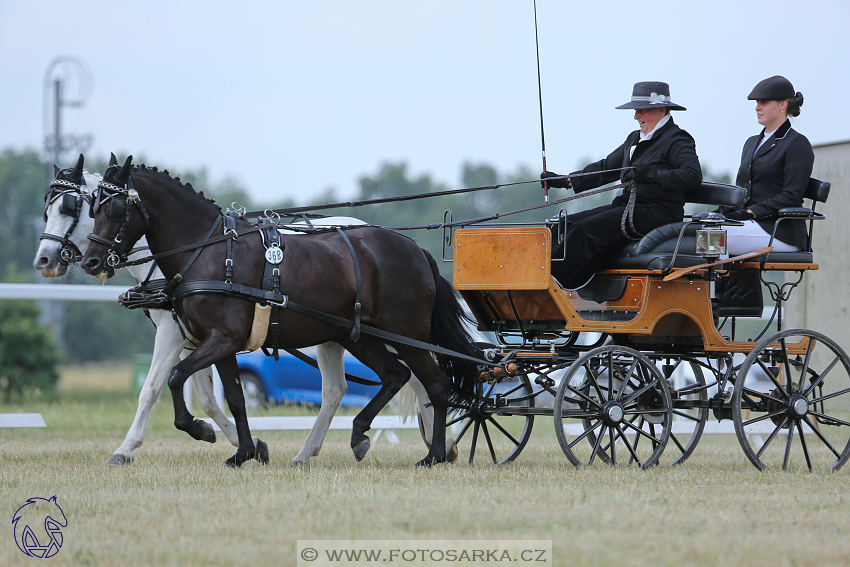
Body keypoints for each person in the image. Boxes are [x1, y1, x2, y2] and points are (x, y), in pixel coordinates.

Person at [541, 81, 702, 289]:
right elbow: (607, 167)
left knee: (584, 231)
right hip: (627, 207)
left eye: (641, 111)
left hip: (657, 211)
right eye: (636, 111)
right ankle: (537, 278)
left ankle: (554, 288)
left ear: (661, 110)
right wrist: (566, 180)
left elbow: (692, 175)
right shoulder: (635, 139)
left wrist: (654, 175)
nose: (636, 117)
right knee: (560, 225)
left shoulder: (677, 139)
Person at [718, 75, 813, 255]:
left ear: (783, 104)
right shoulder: (751, 143)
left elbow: (791, 195)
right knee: (701, 229)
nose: (757, 107)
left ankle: (718, 284)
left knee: (714, 236)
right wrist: (723, 212)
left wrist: (751, 212)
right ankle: (735, 284)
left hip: (780, 230)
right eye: (757, 102)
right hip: (750, 225)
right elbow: (743, 189)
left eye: (764, 102)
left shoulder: (797, 144)